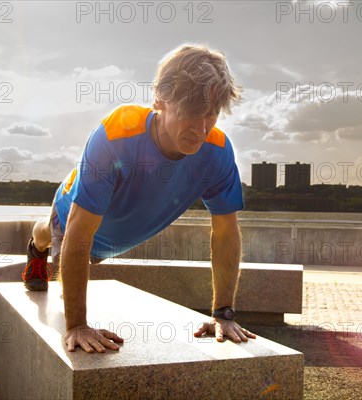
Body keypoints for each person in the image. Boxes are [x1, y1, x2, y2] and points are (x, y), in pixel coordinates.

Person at [21, 44, 256, 353]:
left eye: (211, 114)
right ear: (160, 100)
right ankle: (36, 248)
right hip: (72, 220)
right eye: (191, 114)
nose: (201, 129)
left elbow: (226, 233)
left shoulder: (218, 151)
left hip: (110, 235)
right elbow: (79, 233)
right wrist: (77, 325)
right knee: (50, 234)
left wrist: (223, 314)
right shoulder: (117, 134)